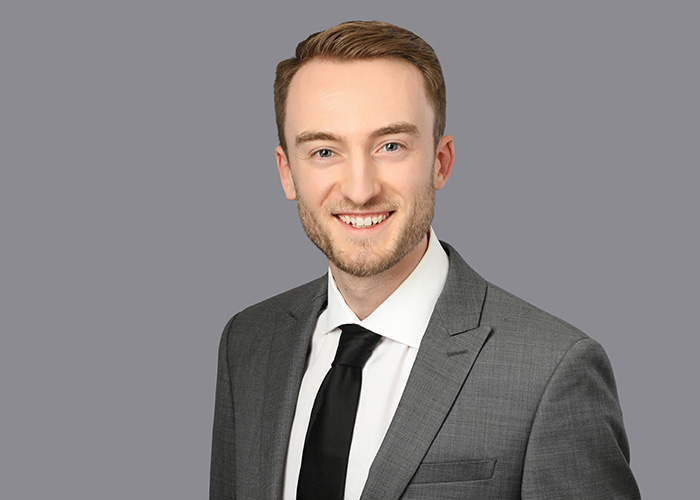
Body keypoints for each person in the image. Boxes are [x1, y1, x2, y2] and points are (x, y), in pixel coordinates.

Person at [210, 20, 640, 500]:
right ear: (287, 172)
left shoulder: (552, 371)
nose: (360, 189)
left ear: (441, 161)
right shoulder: (248, 343)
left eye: (391, 146)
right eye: (325, 151)